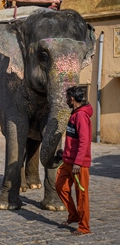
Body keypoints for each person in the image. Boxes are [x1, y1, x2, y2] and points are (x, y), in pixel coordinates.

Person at [55, 86, 93, 236]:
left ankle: (84, 227)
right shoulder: (75, 114)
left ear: (72, 99)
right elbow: (74, 140)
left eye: (67, 98)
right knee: (60, 186)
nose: (66, 100)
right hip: (68, 161)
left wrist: (78, 162)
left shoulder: (81, 116)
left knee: (81, 195)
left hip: (79, 164)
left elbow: (84, 141)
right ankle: (74, 215)